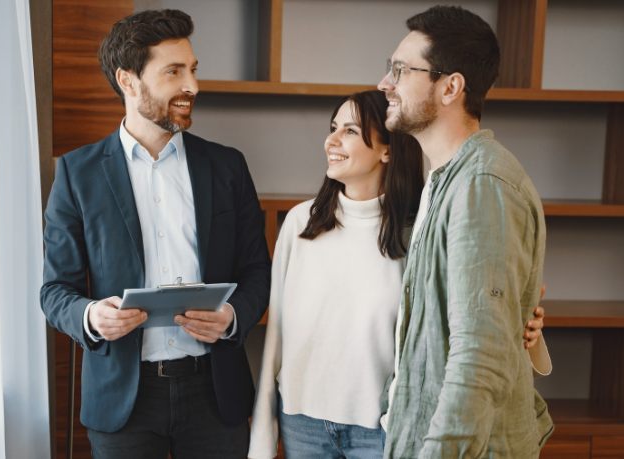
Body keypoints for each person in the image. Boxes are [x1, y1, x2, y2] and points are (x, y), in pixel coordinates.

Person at [248, 91, 549, 459]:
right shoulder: (300, 223)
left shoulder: (420, 229)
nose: (331, 140)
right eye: (332, 128)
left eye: (350, 131)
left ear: (387, 150)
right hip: (302, 424)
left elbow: (466, 318)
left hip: (383, 428)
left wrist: (527, 330)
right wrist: (263, 437)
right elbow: (277, 335)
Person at [40, 9, 270, 458]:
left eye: (193, 70)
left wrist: (232, 317)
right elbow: (55, 290)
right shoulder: (76, 173)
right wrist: (90, 317)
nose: (193, 86)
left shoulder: (227, 166)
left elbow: (257, 271)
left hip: (215, 394)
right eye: (174, 72)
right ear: (128, 80)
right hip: (122, 400)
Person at [376, 6, 554, 458]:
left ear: (451, 86)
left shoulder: (481, 187)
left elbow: (481, 358)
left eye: (400, 70)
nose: (385, 84)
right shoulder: (447, 180)